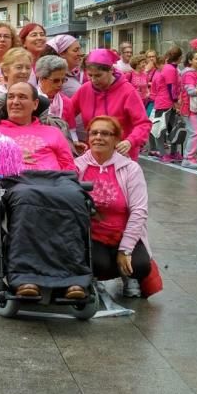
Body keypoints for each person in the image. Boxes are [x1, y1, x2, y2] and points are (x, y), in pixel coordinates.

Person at [75, 116, 152, 298]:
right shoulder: (76, 167)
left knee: (141, 265)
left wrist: (125, 249)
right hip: (93, 234)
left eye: (105, 133)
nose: (98, 137)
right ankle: (95, 276)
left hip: (122, 232)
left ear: (117, 139)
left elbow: (139, 211)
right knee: (98, 264)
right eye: (94, 133)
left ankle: (129, 275)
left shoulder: (131, 169)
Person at [0, 82, 76, 171]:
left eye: (22, 97)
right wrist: (8, 160)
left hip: (53, 185)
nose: (15, 102)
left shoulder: (54, 132)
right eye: (11, 97)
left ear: (35, 104)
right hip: (11, 185)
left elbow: (70, 167)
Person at [70, 49, 151, 160]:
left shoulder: (127, 92)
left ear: (111, 70)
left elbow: (143, 123)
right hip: (94, 154)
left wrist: (130, 141)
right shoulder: (85, 90)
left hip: (121, 155)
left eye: (98, 75)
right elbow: (67, 113)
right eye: (90, 75)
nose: (93, 80)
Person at [150, 46, 183, 162]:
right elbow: (171, 87)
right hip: (164, 103)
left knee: (173, 128)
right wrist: (175, 101)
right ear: (179, 58)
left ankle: (173, 152)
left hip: (167, 102)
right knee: (161, 129)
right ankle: (162, 153)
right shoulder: (170, 69)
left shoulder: (170, 68)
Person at [36, 55, 76, 134]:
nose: (60, 84)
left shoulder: (66, 102)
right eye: (56, 80)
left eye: (63, 80)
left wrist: (75, 142)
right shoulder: (32, 100)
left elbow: (72, 131)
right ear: (42, 79)